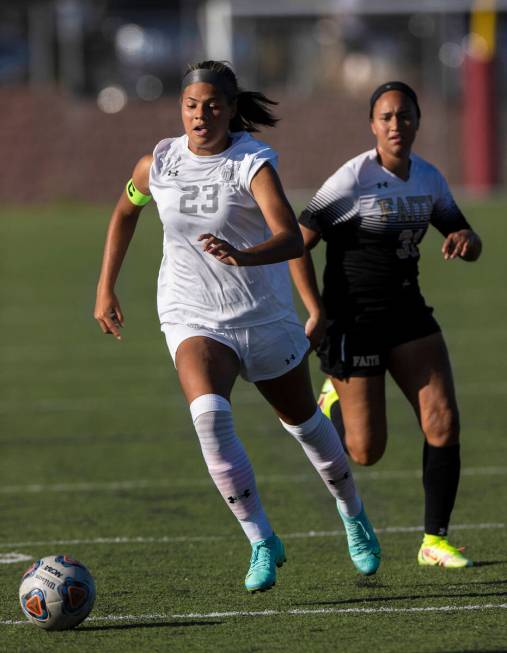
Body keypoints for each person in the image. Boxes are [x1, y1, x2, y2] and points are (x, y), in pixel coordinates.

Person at [94, 60, 381, 592]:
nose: (200, 116)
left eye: (212, 107)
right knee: (208, 417)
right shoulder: (157, 162)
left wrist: (242, 256)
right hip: (191, 314)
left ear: (229, 111)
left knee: (305, 426)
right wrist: (105, 286)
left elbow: (290, 238)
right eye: (190, 106)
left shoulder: (252, 163)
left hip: (261, 315)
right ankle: (260, 539)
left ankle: (353, 513)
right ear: (180, 107)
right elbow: (126, 211)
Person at [290, 81, 482, 569]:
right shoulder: (351, 180)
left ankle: (434, 540)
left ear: (418, 120)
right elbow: (297, 241)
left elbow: (464, 234)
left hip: (408, 314)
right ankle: (332, 397)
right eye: (386, 117)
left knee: (443, 419)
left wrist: (465, 238)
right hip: (354, 320)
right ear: (373, 125)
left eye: (405, 115)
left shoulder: (430, 179)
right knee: (366, 451)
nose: (396, 125)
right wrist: (315, 309)